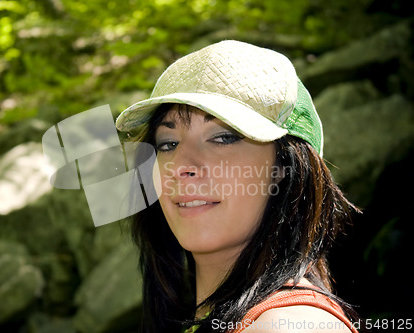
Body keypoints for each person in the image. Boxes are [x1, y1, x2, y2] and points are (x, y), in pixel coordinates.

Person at [115, 40, 360, 333]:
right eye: (168, 144)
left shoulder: (288, 326)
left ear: (285, 168)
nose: (181, 166)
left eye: (223, 138)